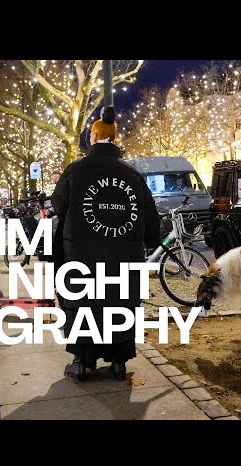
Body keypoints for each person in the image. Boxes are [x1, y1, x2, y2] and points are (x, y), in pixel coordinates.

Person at [51, 105, 161, 381]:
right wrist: (148, 240)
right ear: (114, 137)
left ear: (93, 136)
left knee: (84, 303)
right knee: (119, 302)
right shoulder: (133, 174)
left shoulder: (76, 170)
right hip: (123, 256)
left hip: (81, 255)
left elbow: (58, 205)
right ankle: (119, 361)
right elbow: (150, 217)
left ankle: (83, 360)